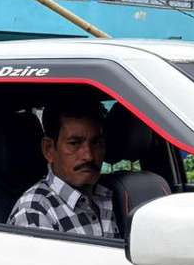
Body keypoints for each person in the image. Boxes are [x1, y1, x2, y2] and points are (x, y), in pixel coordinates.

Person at [8, 95, 119, 239]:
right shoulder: (35, 212)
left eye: (96, 143)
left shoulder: (111, 196)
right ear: (49, 149)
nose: (89, 156)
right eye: (74, 143)